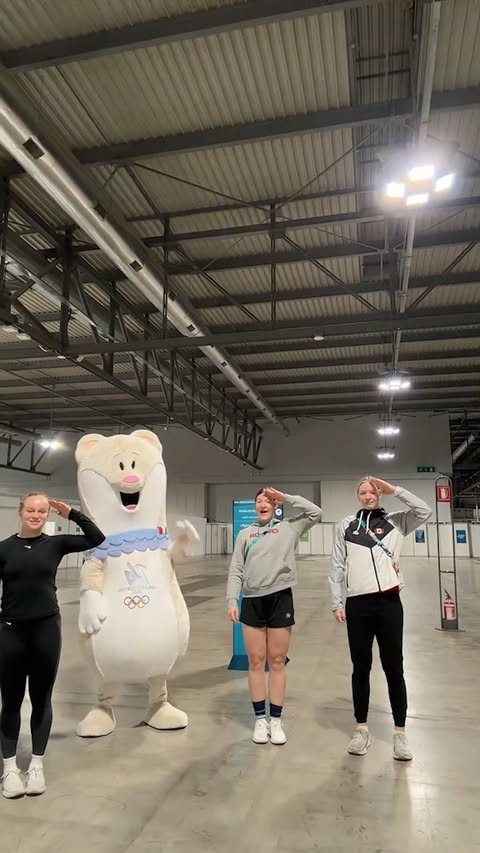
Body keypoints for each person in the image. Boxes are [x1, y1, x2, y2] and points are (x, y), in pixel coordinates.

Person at [0, 492, 104, 798]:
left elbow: (97, 538)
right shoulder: (4, 549)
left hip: (46, 629)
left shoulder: (55, 544)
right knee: (11, 701)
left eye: (42, 511)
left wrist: (72, 513)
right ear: (20, 512)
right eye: (31, 510)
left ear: (47, 514)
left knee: (42, 699)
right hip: (10, 631)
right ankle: (9, 769)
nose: (36, 515)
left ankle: (36, 765)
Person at [329, 476, 432, 761]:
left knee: (394, 668)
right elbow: (337, 565)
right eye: (363, 492)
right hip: (357, 605)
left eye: (373, 492)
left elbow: (424, 511)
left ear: (380, 494)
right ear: (358, 496)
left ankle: (400, 733)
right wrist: (336, 601)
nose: (368, 496)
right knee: (360, 668)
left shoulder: (397, 521)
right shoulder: (346, 525)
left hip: (389, 605)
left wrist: (395, 490)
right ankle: (361, 729)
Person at [226, 487, 322, 745]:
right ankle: (260, 719)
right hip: (252, 600)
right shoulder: (245, 534)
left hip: (281, 599)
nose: (263, 504)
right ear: (255, 506)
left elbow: (316, 513)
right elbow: (236, 569)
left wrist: (287, 498)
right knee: (256, 662)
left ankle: (276, 721)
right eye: (259, 501)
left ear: (276, 505)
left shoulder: (289, 528)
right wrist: (232, 600)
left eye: (268, 500)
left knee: (277, 661)